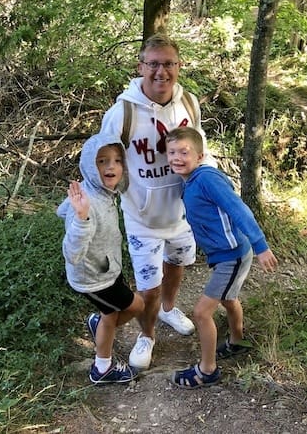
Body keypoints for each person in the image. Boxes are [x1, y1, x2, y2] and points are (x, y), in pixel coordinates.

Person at [100, 33, 215, 370]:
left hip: (182, 213)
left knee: (177, 265)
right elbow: (104, 159)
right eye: (153, 64)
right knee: (148, 287)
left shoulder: (189, 103)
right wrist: (102, 199)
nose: (161, 72)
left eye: (168, 64)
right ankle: (147, 334)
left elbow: (198, 149)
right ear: (141, 67)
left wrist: (211, 186)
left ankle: (168, 308)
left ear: (178, 66)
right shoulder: (122, 112)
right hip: (142, 217)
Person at [165, 126, 278, 389]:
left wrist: (261, 246)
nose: (177, 158)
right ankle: (237, 341)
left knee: (201, 312)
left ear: (200, 156)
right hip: (226, 254)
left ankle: (207, 370)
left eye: (184, 152)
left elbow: (238, 209)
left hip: (233, 255)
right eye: (172, 153)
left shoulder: (206, 179)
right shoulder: (192, 180)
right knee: (228, 298)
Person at [56, 133, 144, 384]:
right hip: (93, 278)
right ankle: (102, 368)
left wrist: (71, 208)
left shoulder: (96, 191)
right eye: (102, 161)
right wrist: (81, 217)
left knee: (118, 311)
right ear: (89, 165)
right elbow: (72, 254)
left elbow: (60, 210)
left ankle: (101, 327)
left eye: (117, 160)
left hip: (106, 270)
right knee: (131, 307)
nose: (111, 166)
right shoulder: (89, 203)